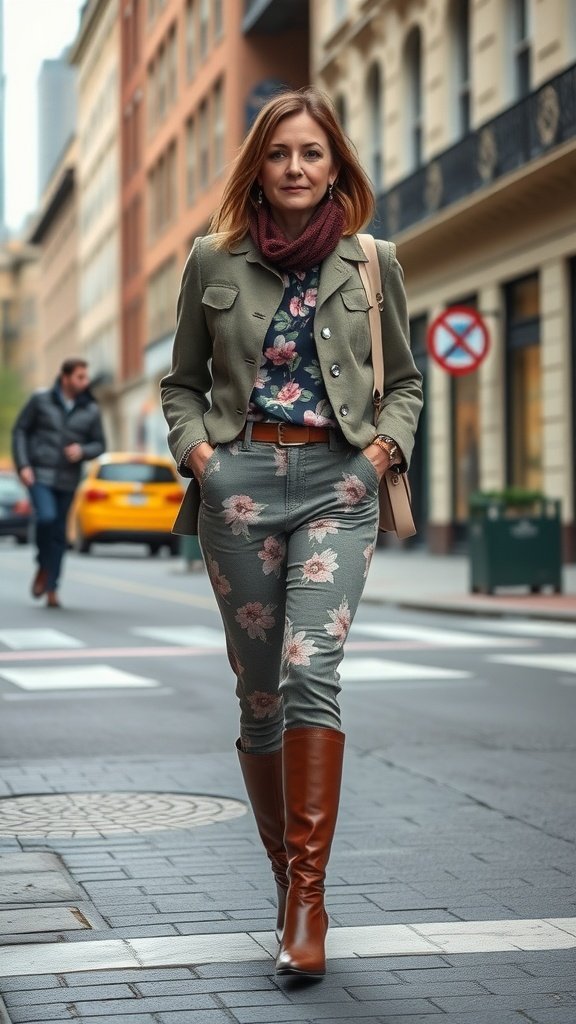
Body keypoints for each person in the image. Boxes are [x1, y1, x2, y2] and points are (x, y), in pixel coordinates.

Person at [161, 87, 423, 979]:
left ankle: (308, 903)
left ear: (335, 162)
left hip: (336, 485)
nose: (298, 168)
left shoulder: (371, 261)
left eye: (312, 153)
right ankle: (283, 887)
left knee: (313, 671)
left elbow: (407, 383)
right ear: (259, 168)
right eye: (281, 155)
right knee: (261, 692)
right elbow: (181, 384)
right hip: (238, 489)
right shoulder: (212, 258)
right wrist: (201, 457)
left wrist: (379, 456)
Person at [12, 357, 106, 608]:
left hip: (67, 478)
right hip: (39, 474)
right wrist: (23, 465)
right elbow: (20, 430)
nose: (85, 382)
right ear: (65, 378)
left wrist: (83, 451)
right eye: (80, 377)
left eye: (86, 377)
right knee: (45, 518)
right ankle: (43, 564)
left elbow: (100, 444)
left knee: (59, 534)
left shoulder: (90, 409)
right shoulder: (40, 400)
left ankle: (52, 587)